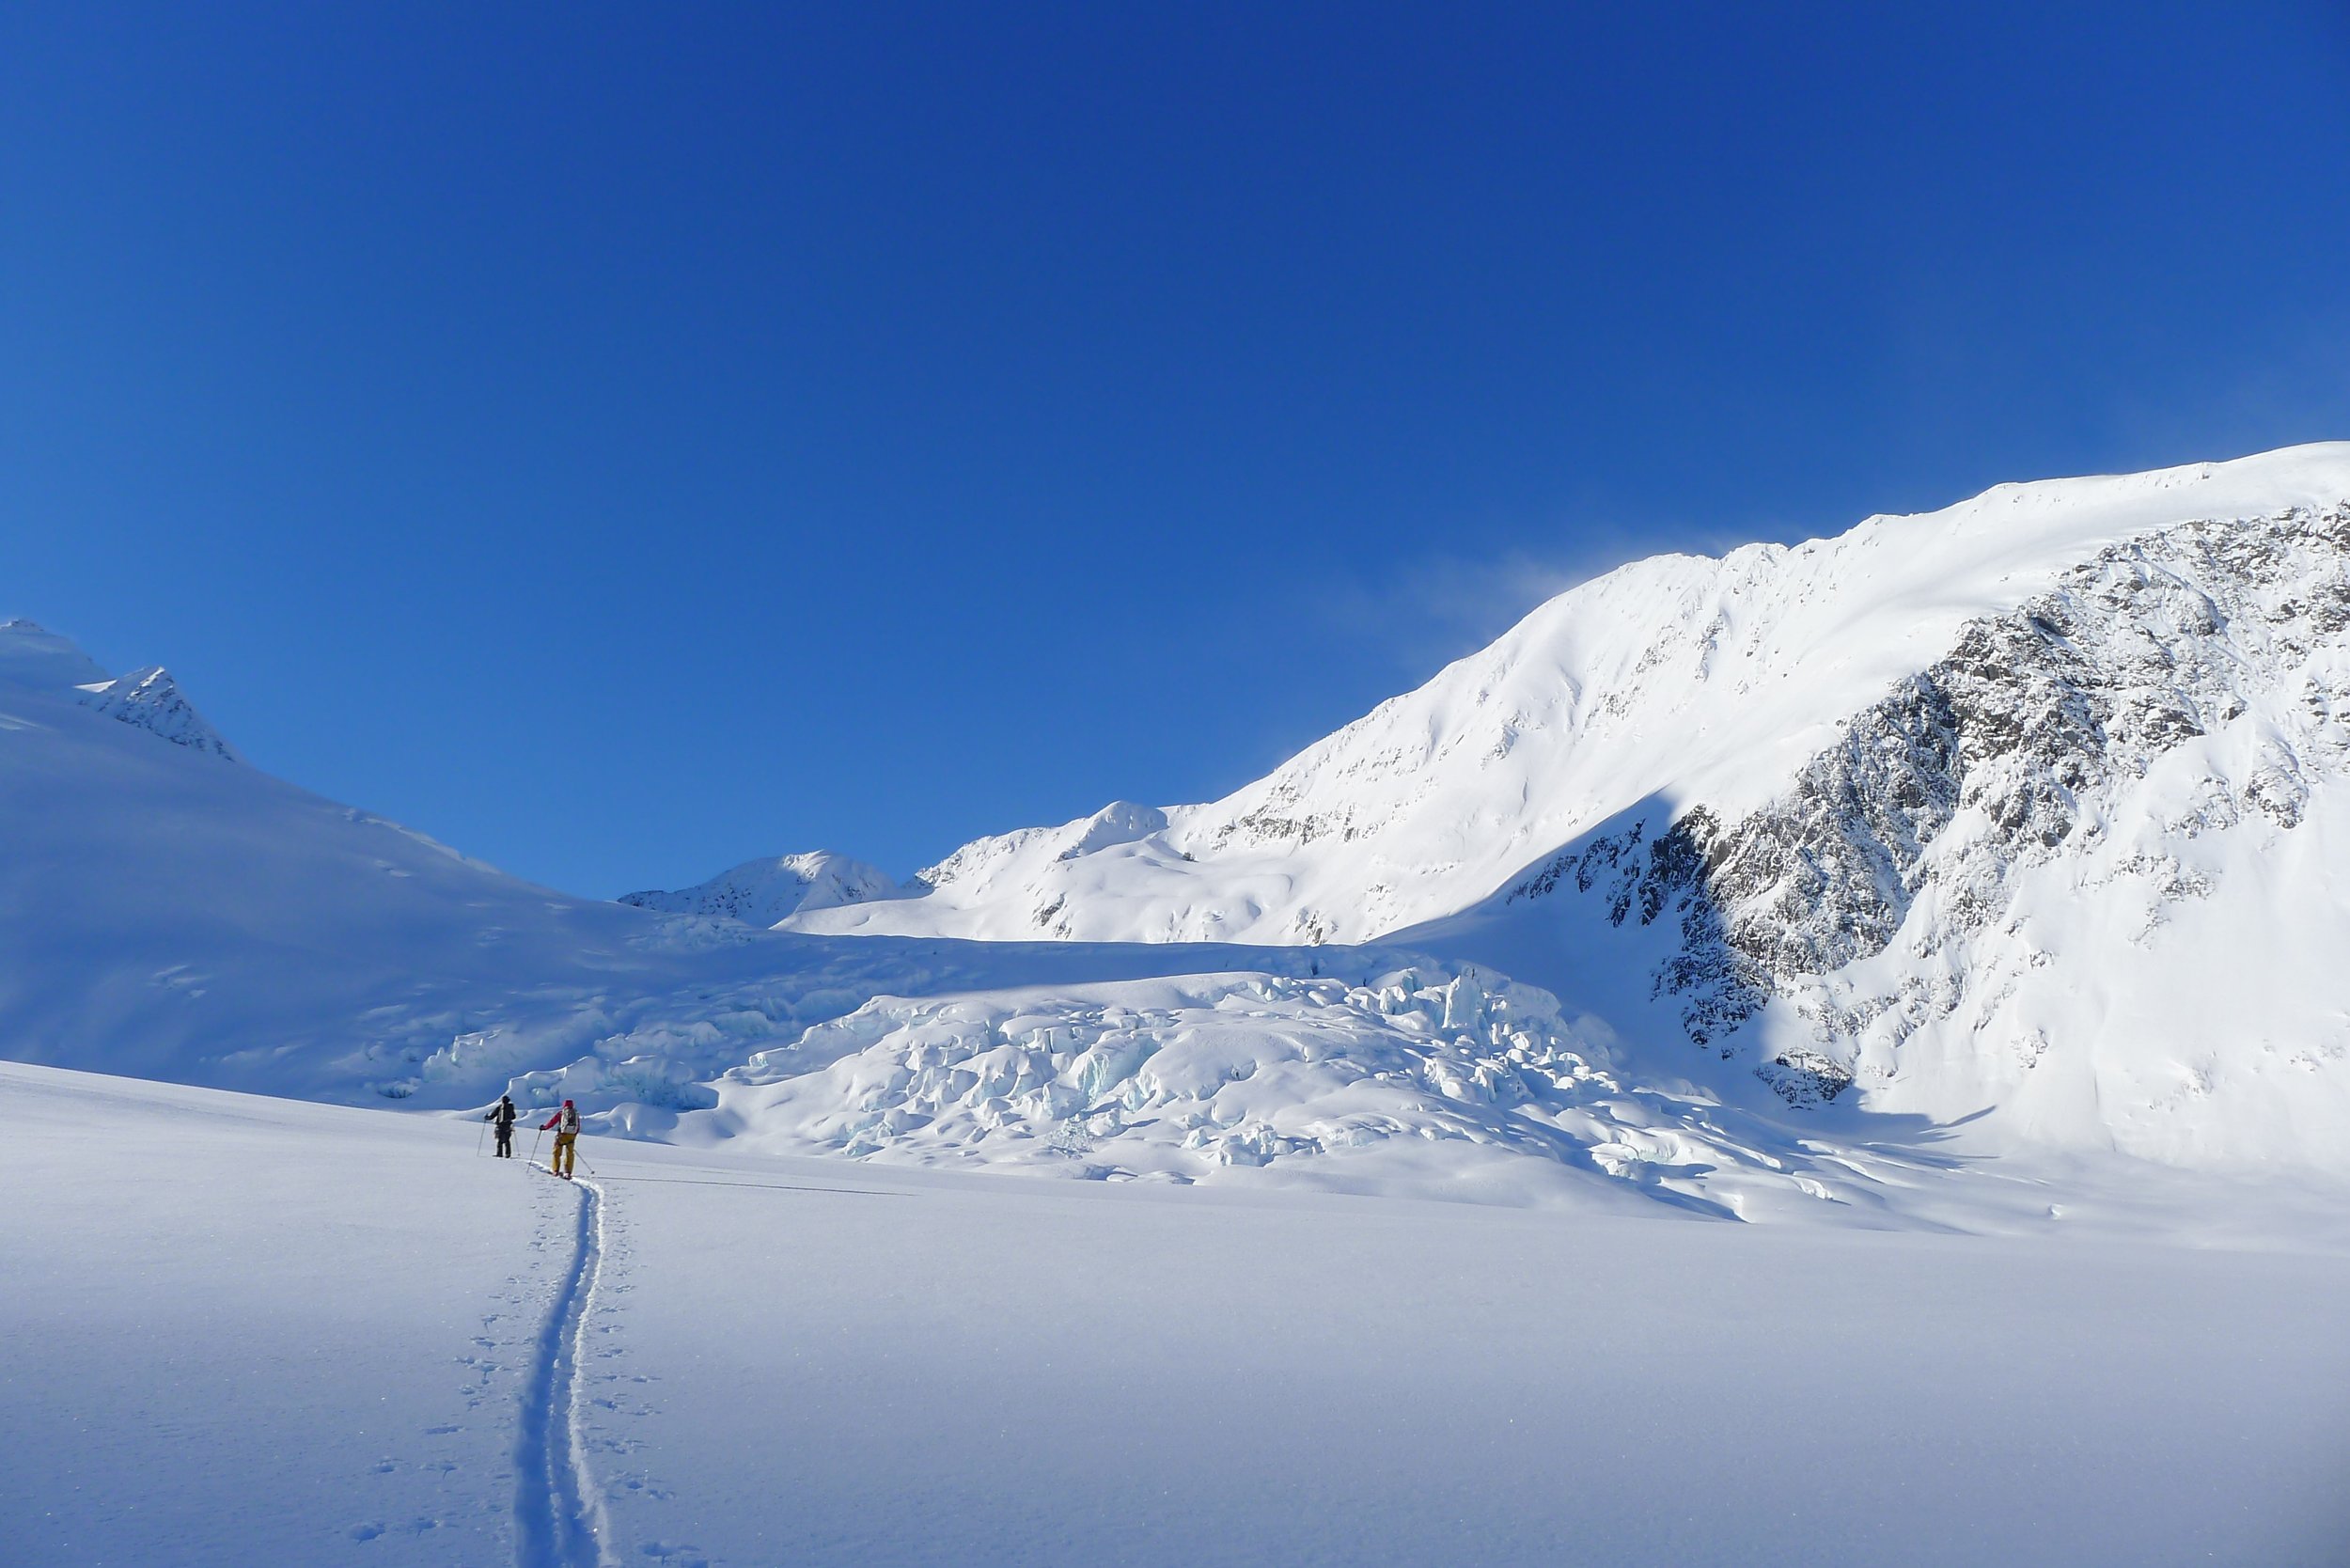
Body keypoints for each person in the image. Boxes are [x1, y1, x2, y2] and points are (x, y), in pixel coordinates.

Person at [540, 1100, 581, 1179]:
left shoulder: (561, 1113)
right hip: (571, 1136)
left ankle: (555, 1170)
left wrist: (545, 1127)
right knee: (570, 1153)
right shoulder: (575, 1114)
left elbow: (552, 1122)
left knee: (557, 1152)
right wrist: (574, 1135)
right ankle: (568, 1172)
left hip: (562, 1135)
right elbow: (578, 1126)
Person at [483, 1094, 518, 1158]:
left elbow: (492, 1116)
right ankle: (508, 1154)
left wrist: (487, 1118)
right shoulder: (510, 1107)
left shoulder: (500, 1107)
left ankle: (499, 1153)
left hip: (500, 1126)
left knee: (500, 1140)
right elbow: (514, 1117)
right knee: (507, 1140)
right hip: (508, 1126)